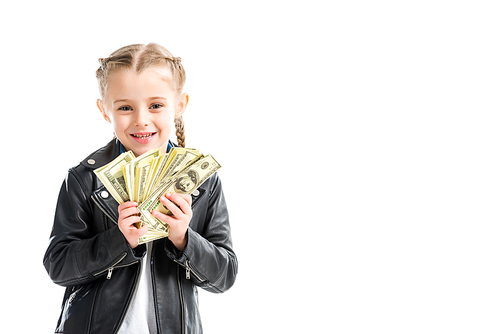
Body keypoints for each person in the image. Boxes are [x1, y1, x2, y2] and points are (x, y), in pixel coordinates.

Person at [43, 43, 238, 334]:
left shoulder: (203, 182)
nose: (141, 120)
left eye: (156, 105)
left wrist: (184, 239)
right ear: (105, 110)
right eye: (125, 107)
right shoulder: (85, 178)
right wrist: (119, 240)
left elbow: (224, 276)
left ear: (180, 105)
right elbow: (58, 266)